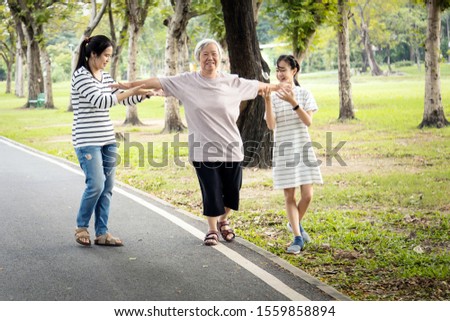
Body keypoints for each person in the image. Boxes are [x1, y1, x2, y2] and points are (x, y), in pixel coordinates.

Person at [112, 39, 288, 246]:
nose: (210, 58)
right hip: (202, 149)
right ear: (198, 58)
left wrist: (279, 86)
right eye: (205, 54)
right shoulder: (186, 81)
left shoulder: (233, 82)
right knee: (211, 190)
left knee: (232, 192)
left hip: (231, 148)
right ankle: (212, 229)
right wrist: (130, 85)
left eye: (214, 54)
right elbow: (157, 82)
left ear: (220, 58)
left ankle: (224, 221)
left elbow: (262, 86)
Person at [72, 35, 155, 247]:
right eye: (105, 56)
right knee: (96, 184)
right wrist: (132, 90)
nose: (108, 60)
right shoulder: (80, 77)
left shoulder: (106, 77)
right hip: (87, 140)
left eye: (110, 56)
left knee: (107, 187)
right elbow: (102, 101)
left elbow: (123, 97)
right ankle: (81, 226)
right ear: (93, 54)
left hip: (107, 139)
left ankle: (102, 233)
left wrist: (145, 94)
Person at [264, 55, 323, 255]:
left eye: (283, 69)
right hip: (283, 148)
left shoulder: (304, 94)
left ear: (294, 71)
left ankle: (294, 223)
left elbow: (308, 121)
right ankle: (297, 237)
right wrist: (267, 101)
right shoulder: (272, 95)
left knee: (308, 195)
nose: (280, 74)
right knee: (289, 195)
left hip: (303, 147)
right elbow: (271, 125)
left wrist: (292, 101)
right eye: (277, 70)